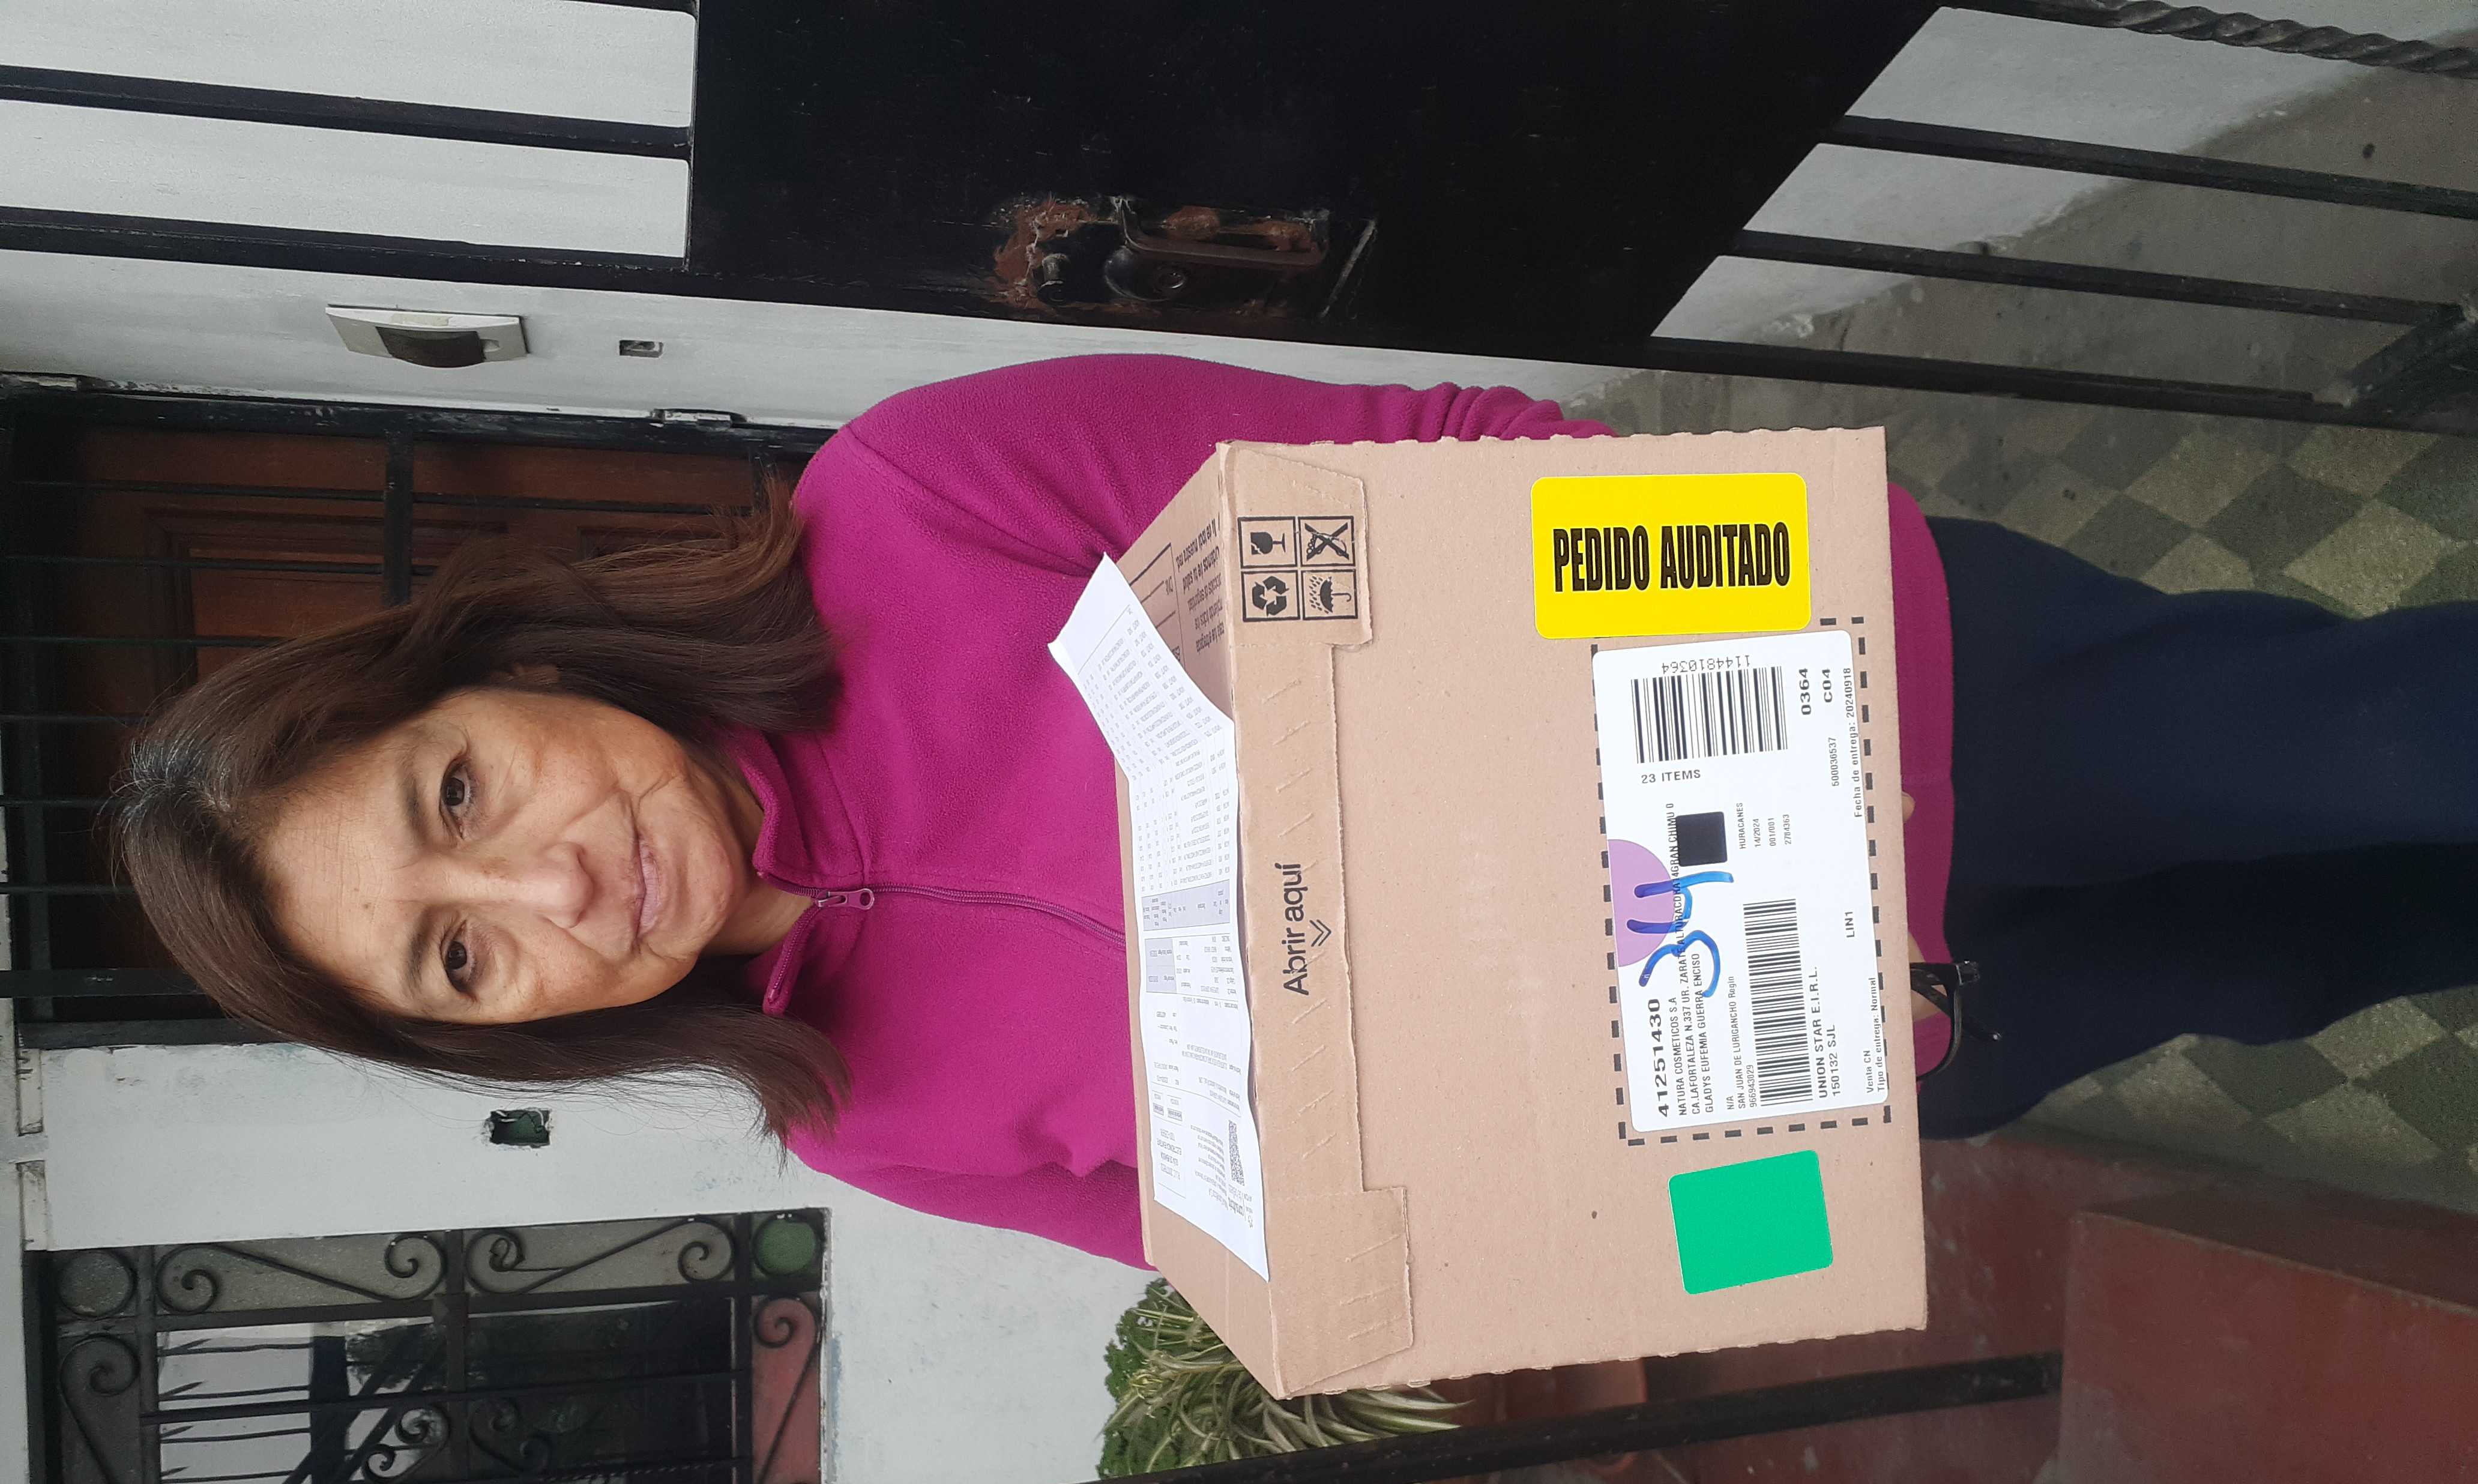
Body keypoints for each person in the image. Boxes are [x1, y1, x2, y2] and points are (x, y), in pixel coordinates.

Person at [118, 355, 2477, 1268]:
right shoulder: (860, 1120)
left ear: (503, 666)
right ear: (497, 1030)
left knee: (2392, 745)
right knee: (2300, 961)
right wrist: (1811, 1178)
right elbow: (1366, 1253)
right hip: (1846, 1043)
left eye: (458, 792)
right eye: (459, 953)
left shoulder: (911, 503)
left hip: (1891, 703)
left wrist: (1779, 652)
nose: (546, 882)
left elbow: (1450, 454)